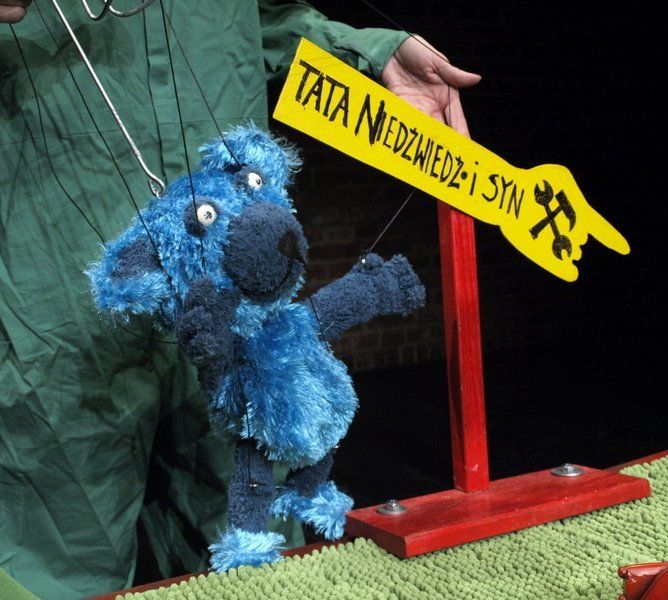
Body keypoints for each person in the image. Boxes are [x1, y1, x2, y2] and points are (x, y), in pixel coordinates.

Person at [0, 1, 479, 597]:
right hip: (60, 287)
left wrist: (367, 55)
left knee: (257, 555)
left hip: (242, 309)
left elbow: (268, 19)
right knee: (59, 557)